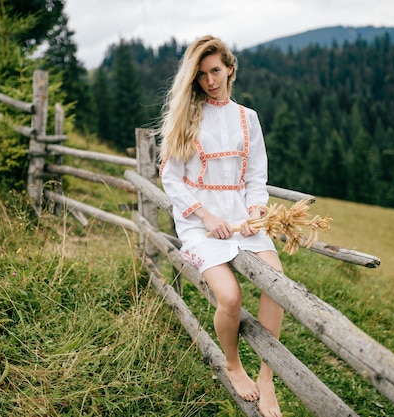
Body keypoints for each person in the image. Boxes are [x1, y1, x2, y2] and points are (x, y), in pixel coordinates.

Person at [159, 35, 284, 417]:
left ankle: (268, 375)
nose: (211, 81)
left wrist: (255, 213)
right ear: (194, 79)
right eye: (202, 75)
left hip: (240, 215)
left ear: (230, 68)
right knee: (230, 297)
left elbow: (256, 178)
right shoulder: (187, 116)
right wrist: (206, 217)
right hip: (200, 220)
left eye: (216, 71)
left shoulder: (249, 118)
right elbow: (171, 177)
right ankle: (233, 364)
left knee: (277, 283)